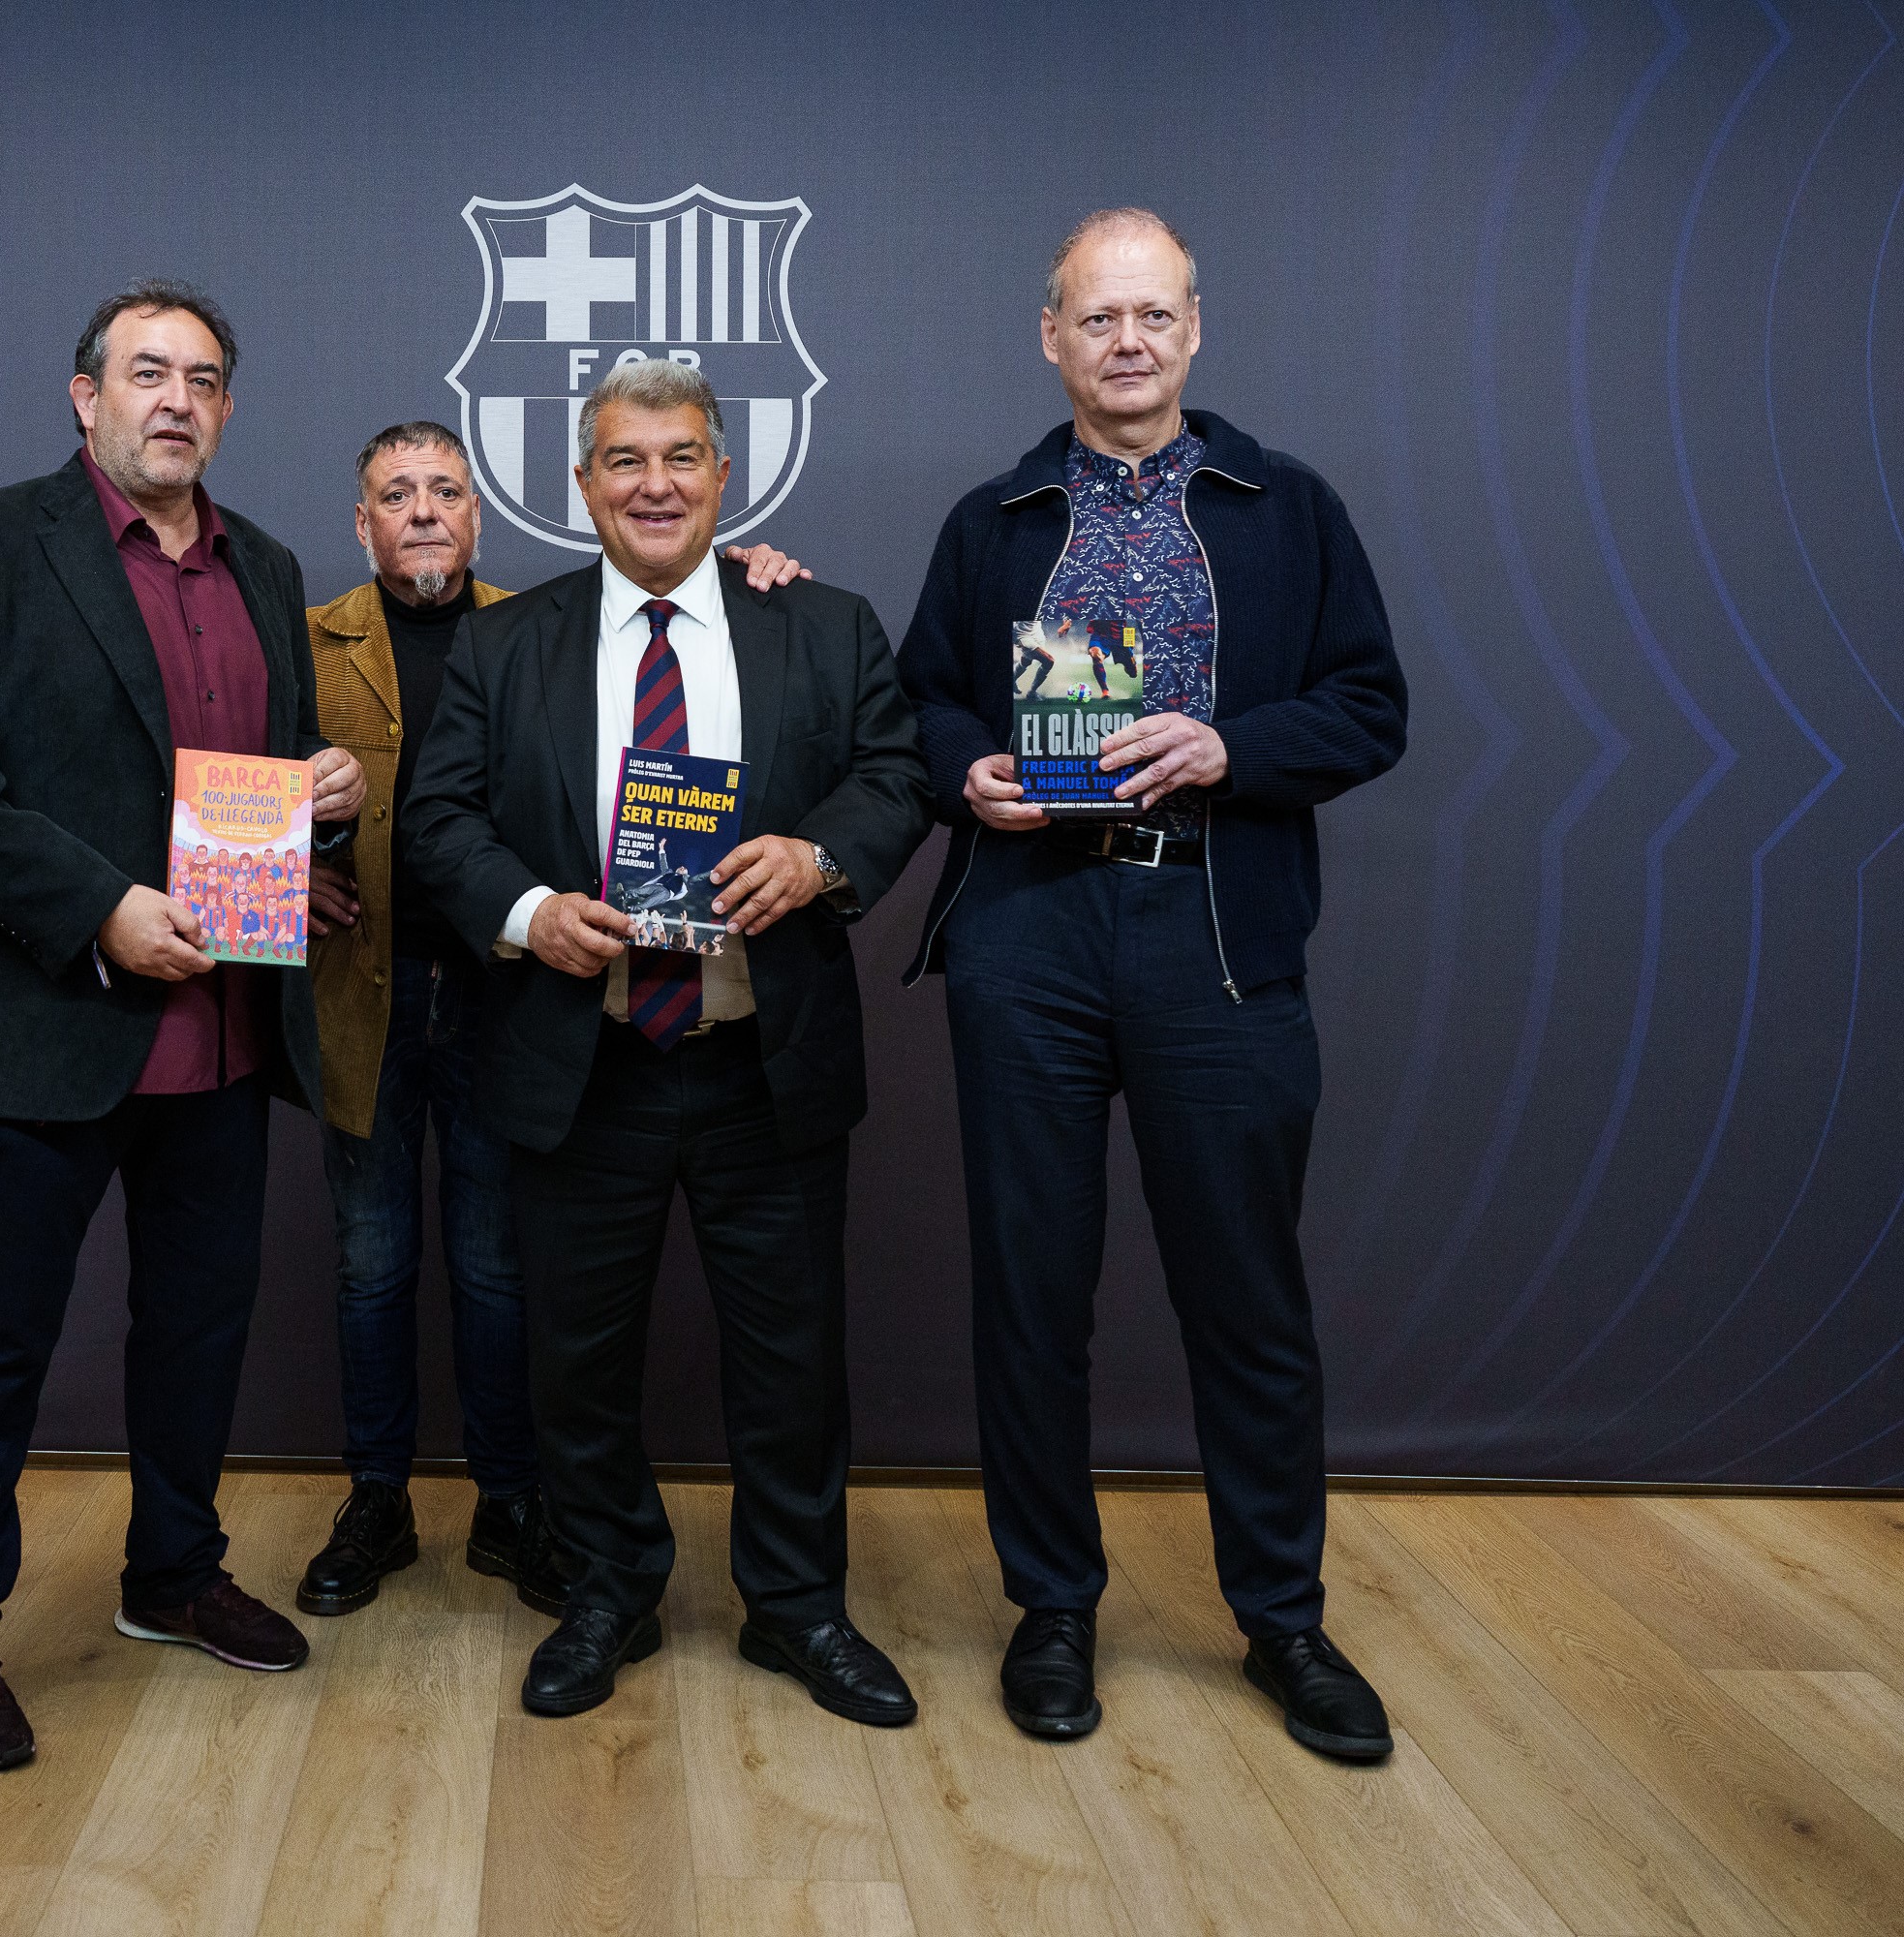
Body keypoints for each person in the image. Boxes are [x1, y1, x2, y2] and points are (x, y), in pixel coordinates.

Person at [897, 209, 1409, 1762]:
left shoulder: (1286, 505)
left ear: (1196, 329)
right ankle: (1053, 1609)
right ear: (1048, 337)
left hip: (1219, 936)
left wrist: (1234, 747)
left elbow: (1372, 705)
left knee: (1246, 1297)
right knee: (1033, 1293)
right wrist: (962, 769)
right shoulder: (994, 517)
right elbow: (918, 699)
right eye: (1096, 318)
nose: (1127, 341)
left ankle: (1284, 1622)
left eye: (1153, 316)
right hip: (1033, 935)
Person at [0, 279, 364, 1772]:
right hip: (47, 1018)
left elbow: (244, 784)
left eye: (204, 378)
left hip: (220, 1029)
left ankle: (170, 1573)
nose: (177, 400)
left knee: (197, 1325)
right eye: (146, 373)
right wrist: (100, 909)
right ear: (82, 396)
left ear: (226, 409)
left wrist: (316, 806)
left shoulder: (265, 564)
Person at [403, 359, 933, 1725]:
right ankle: (605, 1592)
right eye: (624, 460)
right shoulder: (505, 644)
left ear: (723, 477)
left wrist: (819, 859)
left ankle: (800, 1610)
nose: (654, 483)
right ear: (581, 485)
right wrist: (527, 912)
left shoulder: (822, 622)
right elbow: (439, 819)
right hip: (584, 1062)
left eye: (682, 458)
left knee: (793, 1357)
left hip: (767, 1059)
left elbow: (897, 776)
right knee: (576, 1359)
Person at [293, 420, 811, 1624]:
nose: (423, 511)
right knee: (372, 1264)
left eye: (446, 491)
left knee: (498, 1263)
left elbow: (683, 620)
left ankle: (510, 1500)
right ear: (359, 523)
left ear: (482, 515)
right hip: (364, 990)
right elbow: (241, 792)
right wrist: (291, 861)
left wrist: (750, 573)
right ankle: (376, 1495)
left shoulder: (548, 625)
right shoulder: (303, 643)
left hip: (519, 1000)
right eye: (395, 494)